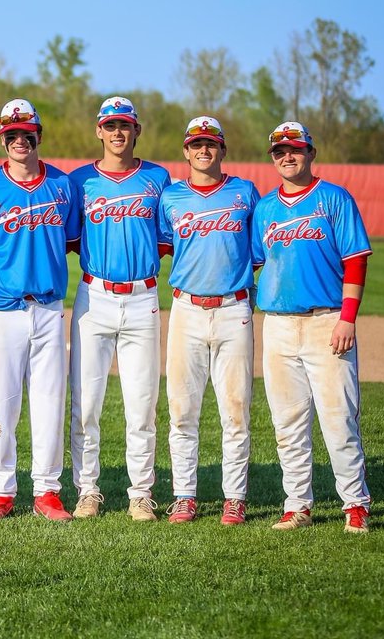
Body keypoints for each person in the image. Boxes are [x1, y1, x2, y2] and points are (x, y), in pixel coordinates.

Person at [0, 99, 81, 521]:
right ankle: (0, 491)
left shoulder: (63, 187)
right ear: (3, 139)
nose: (19, 139)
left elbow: (69, 240)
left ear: (38, 137)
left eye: (26, 133)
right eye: (11, 134)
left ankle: (48, 491)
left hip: (48, 308)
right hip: (1, 309)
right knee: (2, 402)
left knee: (49, 401)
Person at [252, 121, 372, 534]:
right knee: (288, 423)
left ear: (311, 153)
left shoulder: (334, 199)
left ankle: (355, 503)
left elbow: (356, 260)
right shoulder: (265, 208)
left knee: (339, 420)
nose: (288, 156)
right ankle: (297, 504)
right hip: (279, 325)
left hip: (327, 323)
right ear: (273, 158)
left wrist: (347, 318)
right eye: (280, 151)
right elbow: (256, 262)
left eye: (296, 149)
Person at [68, 96, 171, 522]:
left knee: (141, 403)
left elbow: (168, 236)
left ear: (136, 130)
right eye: (110, 125)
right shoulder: (79, 182)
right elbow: (70, 238)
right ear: (99, 130)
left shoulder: (157, 178)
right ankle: (87, 489)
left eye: (124, 125)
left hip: (143, 296)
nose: (117, 132)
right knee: (85, 403)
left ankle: (140, 493)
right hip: (94, 297)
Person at [157, 117, 259, 525]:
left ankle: (234, 497)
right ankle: (184, 495)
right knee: (182, 410)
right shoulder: (171, 198)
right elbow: (165, 246)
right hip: (186, 309)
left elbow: (259, 249)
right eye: (196, 144)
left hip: (234, 310)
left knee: (235, 410)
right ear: (186, 150)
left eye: (211, 144)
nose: (204, 151)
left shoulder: (245, 193)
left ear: (222, 150)